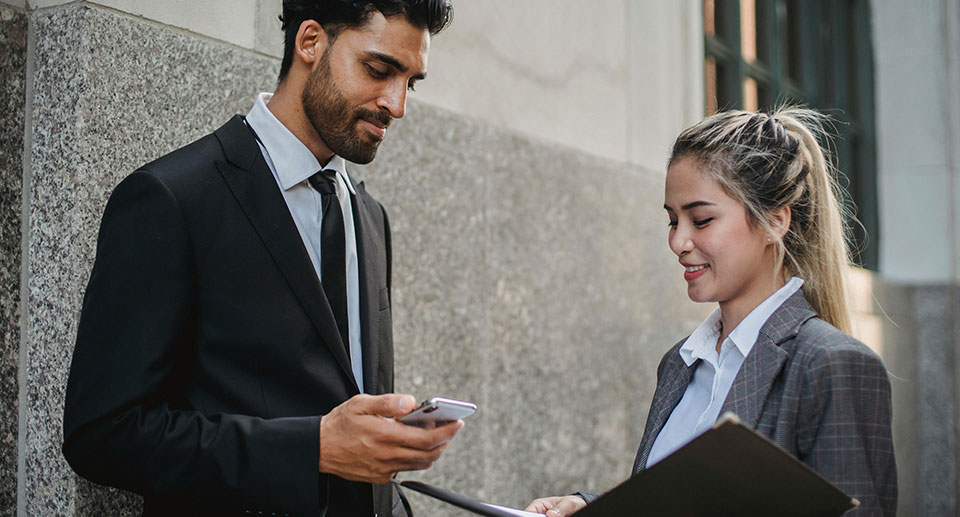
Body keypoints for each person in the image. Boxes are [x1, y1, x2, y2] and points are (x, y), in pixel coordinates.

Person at [61, 1, 459, 515]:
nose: (397, 104)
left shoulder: (371, 219)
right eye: (379, 70)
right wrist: (312, 448)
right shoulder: (172, 199)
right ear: (310, 42)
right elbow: (103, 434)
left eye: (412, 82)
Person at [525, 107, 897, 516]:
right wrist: (589, 507)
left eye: (701, 220)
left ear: (775, 221)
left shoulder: (831, 364)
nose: (678, 242)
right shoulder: (679, 362)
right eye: (672, 221)